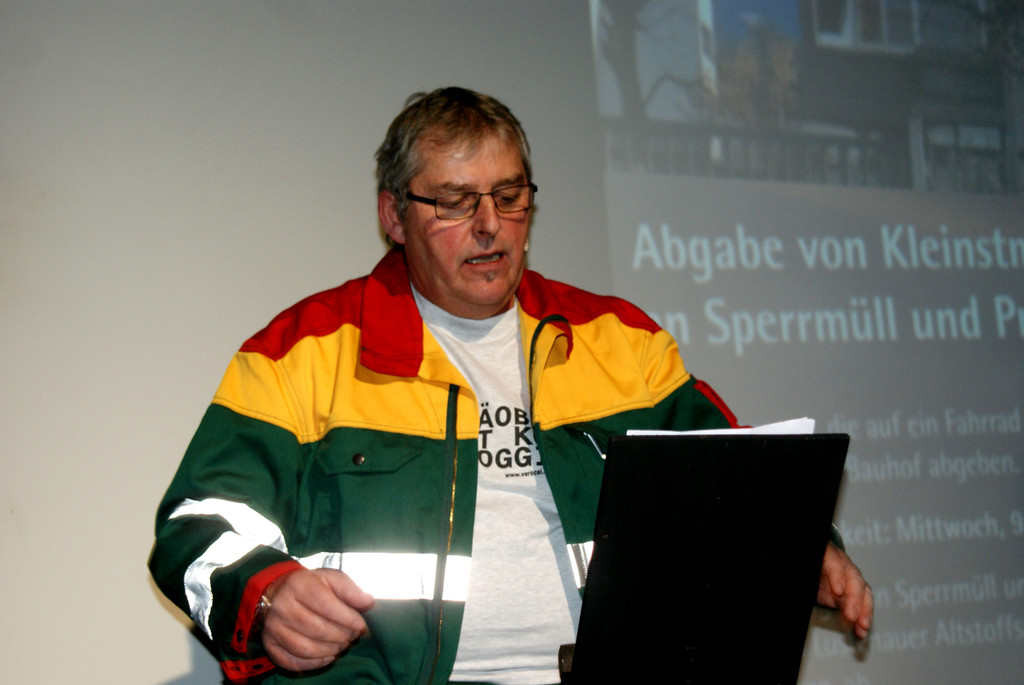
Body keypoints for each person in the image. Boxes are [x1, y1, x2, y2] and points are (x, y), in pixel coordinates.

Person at [149, 86, 872, 684]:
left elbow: (739, 482)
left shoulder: (620, 340)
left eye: (509, 194)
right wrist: (266, 594)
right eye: (455, 201)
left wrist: (805, 545)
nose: (491, 226)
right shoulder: (303, 353)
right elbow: (194, 527)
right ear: (393, 216)